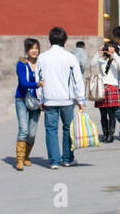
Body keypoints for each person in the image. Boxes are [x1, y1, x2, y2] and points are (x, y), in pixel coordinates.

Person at [36, 26, 85, 168]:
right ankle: (68, 159)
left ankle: (54, 161)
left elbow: (38, 79)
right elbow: (78, 79)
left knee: (51, 129)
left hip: (49, 99)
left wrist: (40, 99)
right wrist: (80, 99)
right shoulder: (70, 57)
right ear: (65, 40)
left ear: (50, 39)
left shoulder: (42, 58)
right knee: (67, 129)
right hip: (66, 99)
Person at [14, 38, 42, 170]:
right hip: (22, 99)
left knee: (32, 133)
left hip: (36, 102)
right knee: (24, 130)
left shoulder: (42, 64)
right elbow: (23, 83)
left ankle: (26, 156)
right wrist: (37, 84)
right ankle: (19, 159)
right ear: (27, 50)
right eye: (31, 48)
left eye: (36, 48)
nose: (34, 51)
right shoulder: (21, 64)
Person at [91, 40, 120, 142]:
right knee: (102, 113)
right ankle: (105, 134)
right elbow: (93, 63)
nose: (109, 50)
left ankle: (111, 134)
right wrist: (98, 53)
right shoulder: (102, 59)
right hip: (102, 87)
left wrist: (113, 54)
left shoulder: (118, 59)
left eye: (111, 47)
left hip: (112, 88)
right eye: (108, 48)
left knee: (111, 113)